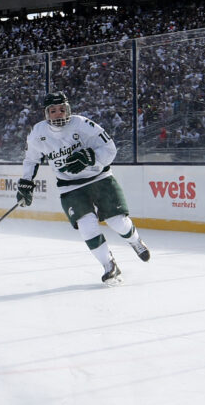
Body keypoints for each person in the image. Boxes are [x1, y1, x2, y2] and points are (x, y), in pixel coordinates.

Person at [17, 91, 150, 285]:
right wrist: (26, 183)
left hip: (100, 178)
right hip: (69, 187)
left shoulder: (83, 124)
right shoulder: (38, 134)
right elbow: (31, 159)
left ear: (68, 109)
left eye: (62, 109)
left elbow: (110, 148)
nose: (58, 114)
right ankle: (109, 265)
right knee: (86, 227)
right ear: (46, 113)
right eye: (53, 111)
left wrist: (91, 158)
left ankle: (135, 241)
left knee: (118, 222)